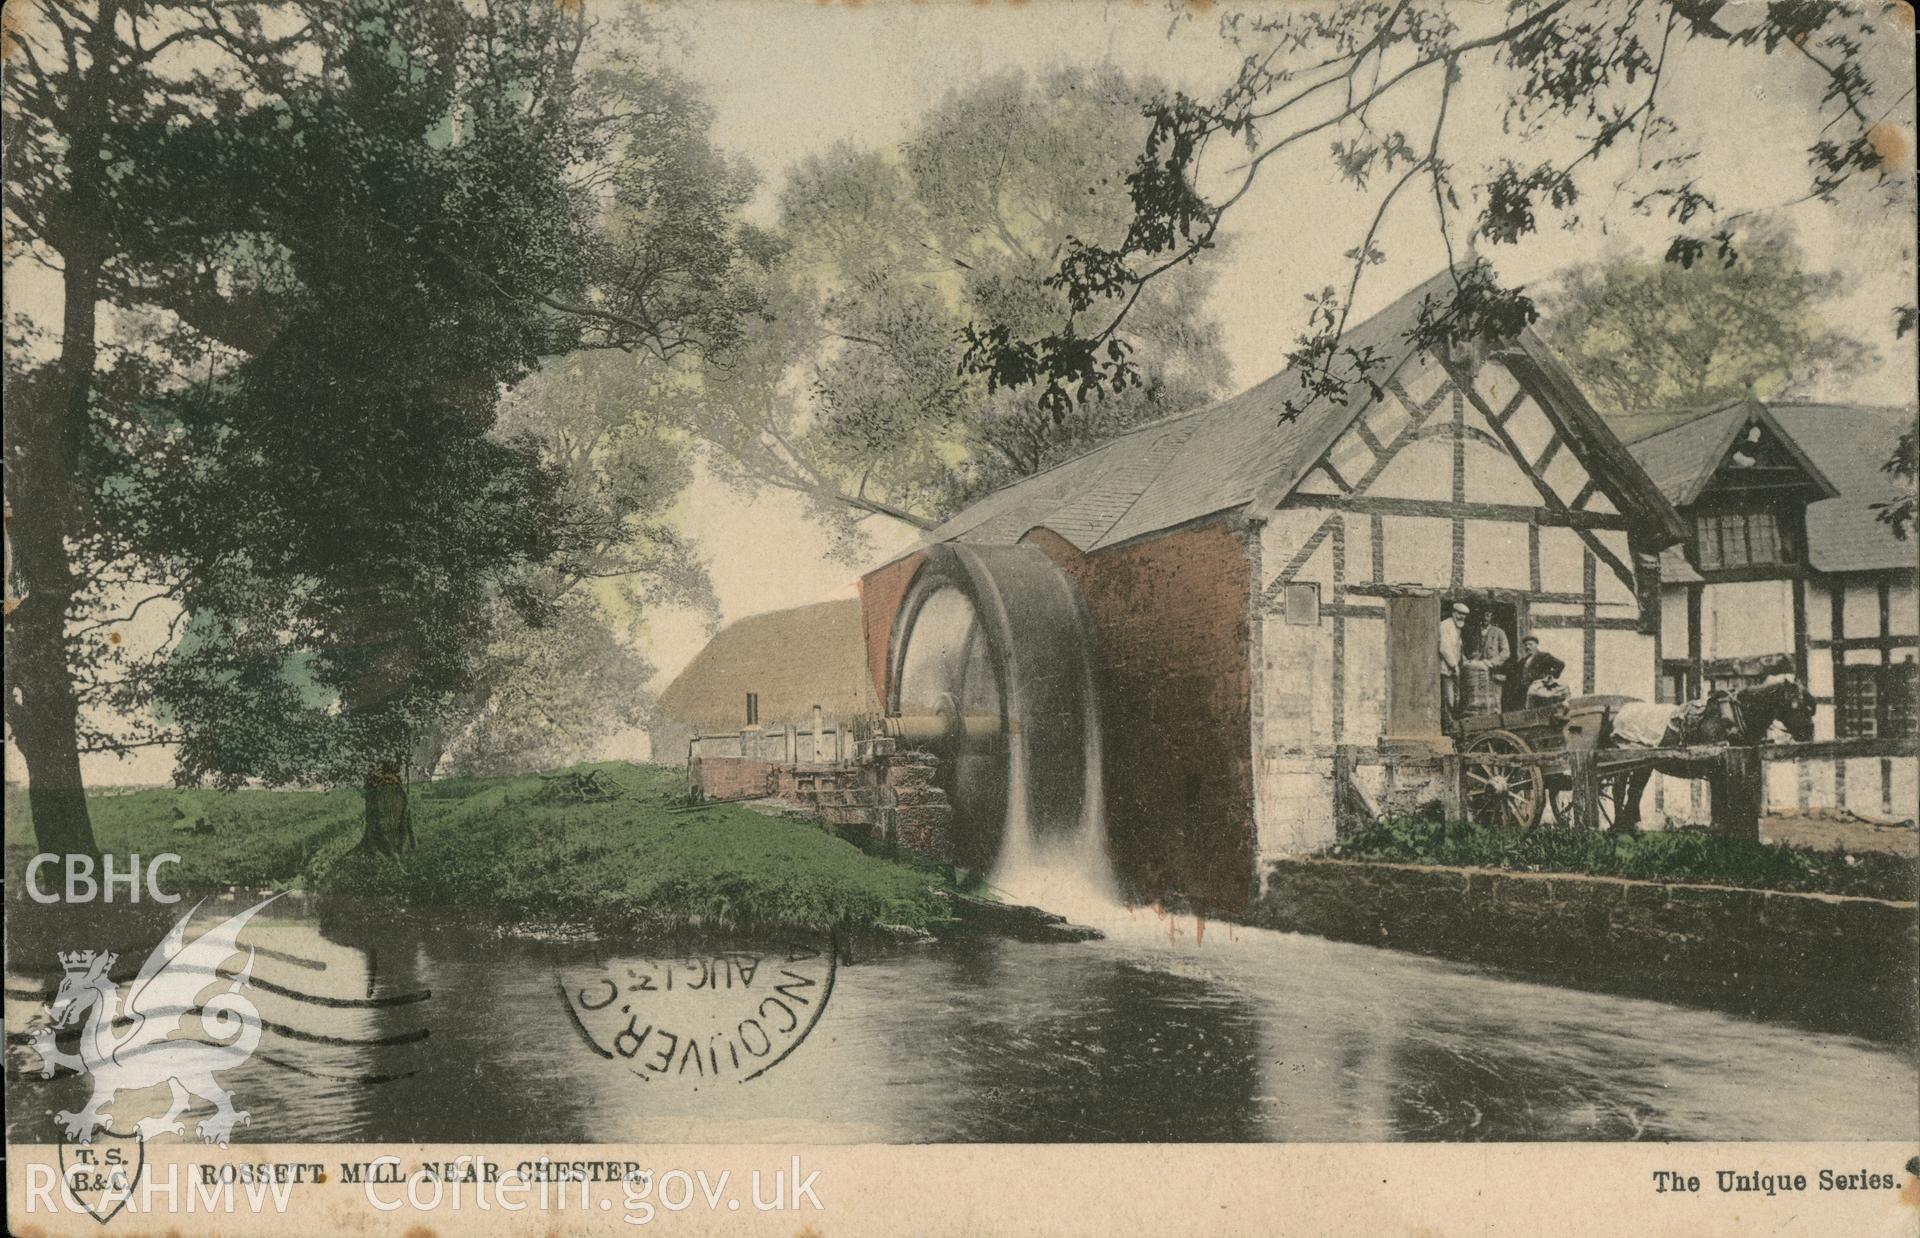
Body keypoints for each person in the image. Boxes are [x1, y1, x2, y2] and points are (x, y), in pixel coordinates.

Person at [1468, 609, 1512, 714]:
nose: (1485, 618)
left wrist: (1492, 662)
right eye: (1483, 615)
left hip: (1494, 671)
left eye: (1488, 615)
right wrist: (1474, 659)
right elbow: (1471, 651)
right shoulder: (1475, 632)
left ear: (1491, 617)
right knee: (1479, 700)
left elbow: (1506, 652)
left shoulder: (1499, 632)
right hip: (1478, 671)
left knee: (1495, 699)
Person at [1508, 634, 1565, 710]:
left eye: (1530, 644)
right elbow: (1516, 673)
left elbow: (1560, 664)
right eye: (1526, 645)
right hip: (1526, 690)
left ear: (1536, 645)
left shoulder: (1544, 656)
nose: (1527, 647)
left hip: (1539, 689)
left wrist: (1551, 676)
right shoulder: (1523, 661)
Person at [1439, 601, 1469, 722]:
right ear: (1453, 613)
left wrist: (1465, 660)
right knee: (1449, 699)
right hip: (1446, 669)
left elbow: (1458, 648)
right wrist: (1454, 665)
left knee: (1457, 698)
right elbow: (1444, 648)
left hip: (1454, 669)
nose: (1462, 616)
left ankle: (1453, 723)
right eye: (1459, 613)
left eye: (1464, 614)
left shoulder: (1458, 628)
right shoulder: (1445, 625)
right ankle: (1449, 725)